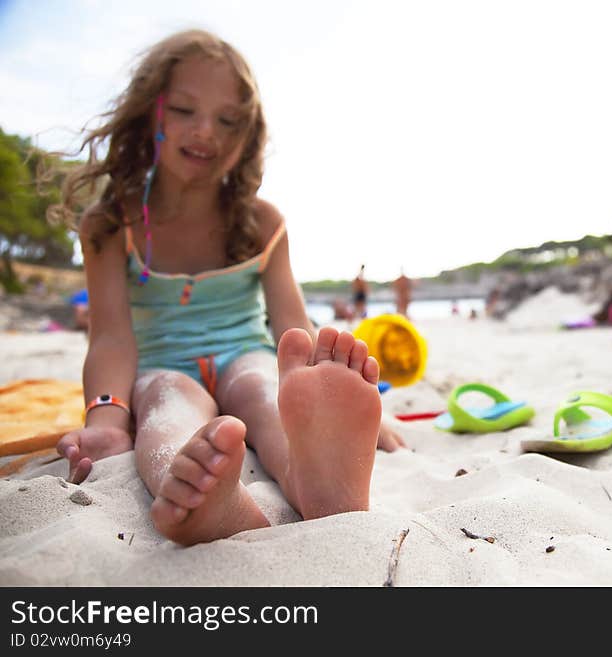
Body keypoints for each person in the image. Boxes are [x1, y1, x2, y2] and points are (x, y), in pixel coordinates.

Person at [50, 30, 406, 547]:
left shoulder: (262, 223)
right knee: (165, 414)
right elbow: (110, 337)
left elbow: (292, 327)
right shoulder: (112, 223)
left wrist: (336, 391)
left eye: (228, 119)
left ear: (249, 133)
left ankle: (318, 482)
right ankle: (212, 504)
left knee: (269, 393)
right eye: (185, 110)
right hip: (162, 365)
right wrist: (106, 418)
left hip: (247, 354)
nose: (206, 131)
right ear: (151, 113)